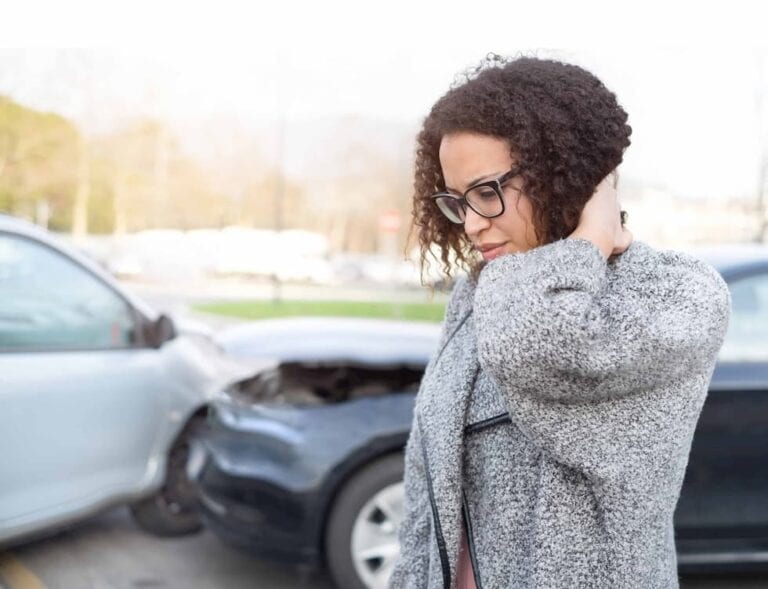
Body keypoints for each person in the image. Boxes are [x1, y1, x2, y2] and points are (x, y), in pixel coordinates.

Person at [388, 55, 731, 589]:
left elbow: (541, 347)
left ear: (562, 174)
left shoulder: (676, 293)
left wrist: (588, 238)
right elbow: (426, 493)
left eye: (486, 191)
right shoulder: (480, 294)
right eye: (458, 202)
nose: (472, 224)